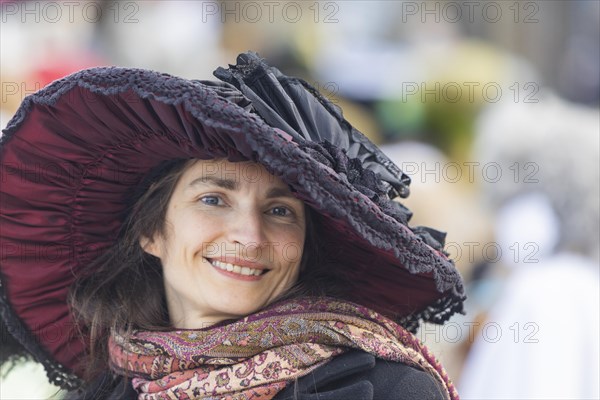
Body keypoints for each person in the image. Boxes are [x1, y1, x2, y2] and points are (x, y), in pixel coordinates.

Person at [0, 52, 465, 399]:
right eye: (213, 199)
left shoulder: (382, 390)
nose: (249, 235)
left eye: (280, 210)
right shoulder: (107, 387)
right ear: (151, 231)